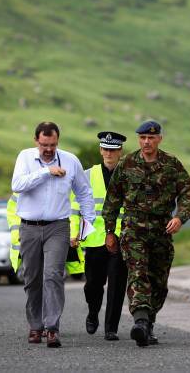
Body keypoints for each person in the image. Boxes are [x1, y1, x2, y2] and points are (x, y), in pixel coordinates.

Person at [102, 120, 190, 347]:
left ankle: (148, 323)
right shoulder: (127, 163)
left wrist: (179, 217)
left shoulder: (171, 164)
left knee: (159, 281)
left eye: (151, 138)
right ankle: (140, 321)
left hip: (162, 230)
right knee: (138, 272)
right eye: (143, 138)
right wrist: (110, 231)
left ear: (159, 139)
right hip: (133, 229)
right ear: (138, 139)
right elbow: (112, 199)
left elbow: (187, 193)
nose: (146, 142)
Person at [11, 121, 95, 348]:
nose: (49, 149)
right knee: (32, 278)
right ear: (36, 140)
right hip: (28, 226)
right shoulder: (25, 157)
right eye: (45, 144)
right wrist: (46, 172)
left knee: (53, 275)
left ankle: (52, 328)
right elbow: (17, 185)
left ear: (58, 141)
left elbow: (84, 193)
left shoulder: (70, 160)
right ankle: (35, 326)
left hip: (58, 226)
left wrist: (88, 222)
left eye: (53, 144)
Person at [70, 131, 128, 341]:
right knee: (93, 285)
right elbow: (75, 208)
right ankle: (93, 312)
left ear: (120, 151)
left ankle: (111, 327)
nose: (109, 153)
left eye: (113, 150)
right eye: (105, 149)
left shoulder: (129, 175)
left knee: (117, 283)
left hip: (121, 238)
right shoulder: (87, 175)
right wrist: (73, 232)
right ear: (100, 150)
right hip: (94, 239)